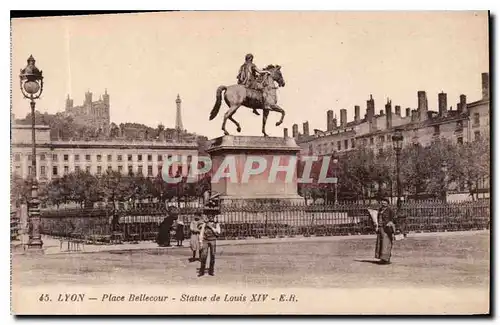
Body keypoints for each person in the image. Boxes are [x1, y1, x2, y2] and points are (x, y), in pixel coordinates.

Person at [374, 198, 396, 265]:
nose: (383, 203)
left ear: (387, 203)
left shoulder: (390, 210)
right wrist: (377, 226)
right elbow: (377, 218)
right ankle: (382, 258)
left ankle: (386, 259)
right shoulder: (380, 210)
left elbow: (393, 219)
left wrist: (390, 223)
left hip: (387, 229)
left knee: (386, 243)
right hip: (380, 227)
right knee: (380, 243)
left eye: (385, 202)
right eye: (382, 202)